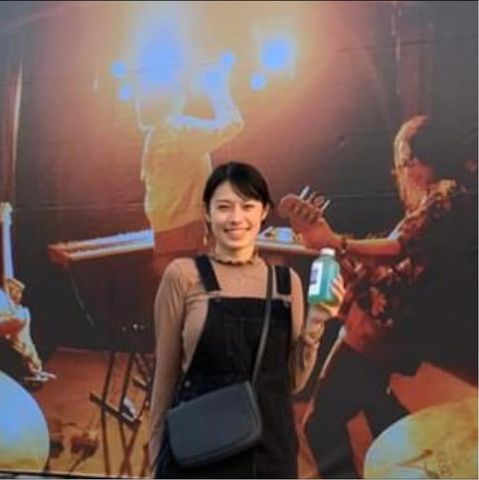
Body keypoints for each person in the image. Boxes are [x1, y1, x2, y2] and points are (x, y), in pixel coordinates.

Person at [284, 115, 476, 478]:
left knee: (320, 424)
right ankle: (432, 465)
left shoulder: (447, 195)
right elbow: (400, 260)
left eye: (409, 161)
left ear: (429, 157)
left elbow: (397, 248)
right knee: (378, 406)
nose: (406, 172)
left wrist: (336, 242)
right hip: (387, 329)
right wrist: (333, 245)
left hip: (377, 332)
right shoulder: (447, 200)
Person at [149, 161, 344, 478]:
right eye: (224, 207)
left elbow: (292, 382)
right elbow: (165, 379)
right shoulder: (183, 276)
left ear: (263, 212)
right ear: (207, 213)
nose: (236, 218)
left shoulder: (286, 284)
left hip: (269, 453)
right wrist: (156, 458)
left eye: (247, 206)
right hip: (200, 452)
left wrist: (315, 324)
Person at [138, 59, 245, 275]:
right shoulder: (177, 128)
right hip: (187, 237)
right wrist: (218, 89)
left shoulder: (154, 135)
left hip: (166, 238)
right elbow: (233, 125)